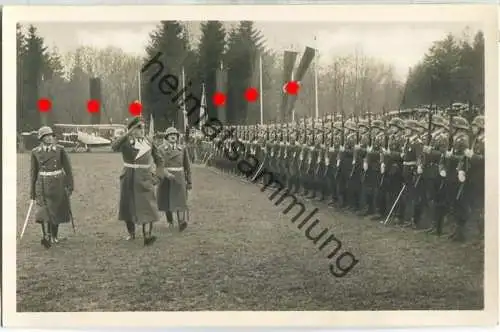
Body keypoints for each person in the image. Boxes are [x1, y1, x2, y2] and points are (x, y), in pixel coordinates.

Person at [111, 117, 165, 246]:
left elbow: (160, 160)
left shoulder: (148, 142)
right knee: (128, 206)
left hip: (145, 178)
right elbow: (114, 146)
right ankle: (131, 232)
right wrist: (128, 132)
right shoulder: (125, 142)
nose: (142, 130)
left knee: (148, 205)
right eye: (139, 127)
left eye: (143, 127)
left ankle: (148, 235)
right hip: (129, 177)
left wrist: (158, 176)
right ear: (132, 130)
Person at [30, 126, 74, 248]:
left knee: (56, 210)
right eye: (46, 136)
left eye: (51, 136)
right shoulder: (35, 152)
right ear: (41, 138)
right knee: (43, 211)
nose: (50, 138)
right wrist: (32, 191)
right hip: (42, 184)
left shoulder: (60, 150)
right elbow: (33, 173)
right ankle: (46, 236)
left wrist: (70, 186)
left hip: (58, 183)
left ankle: (54, 235)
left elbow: (68, 170)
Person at [157, 127, 192, 232]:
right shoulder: (161, 149)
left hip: (179, 177)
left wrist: (189, 181)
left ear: (177, 137)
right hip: (166, 177)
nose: (173, 136)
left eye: (175, 134)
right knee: (167, 200)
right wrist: (164, 173)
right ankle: (170, 221)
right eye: (171, 134)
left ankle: (181, 222)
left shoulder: (182, 149)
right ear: (167, 137)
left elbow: (187, 166)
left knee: (180, 200)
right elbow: (159, 165)